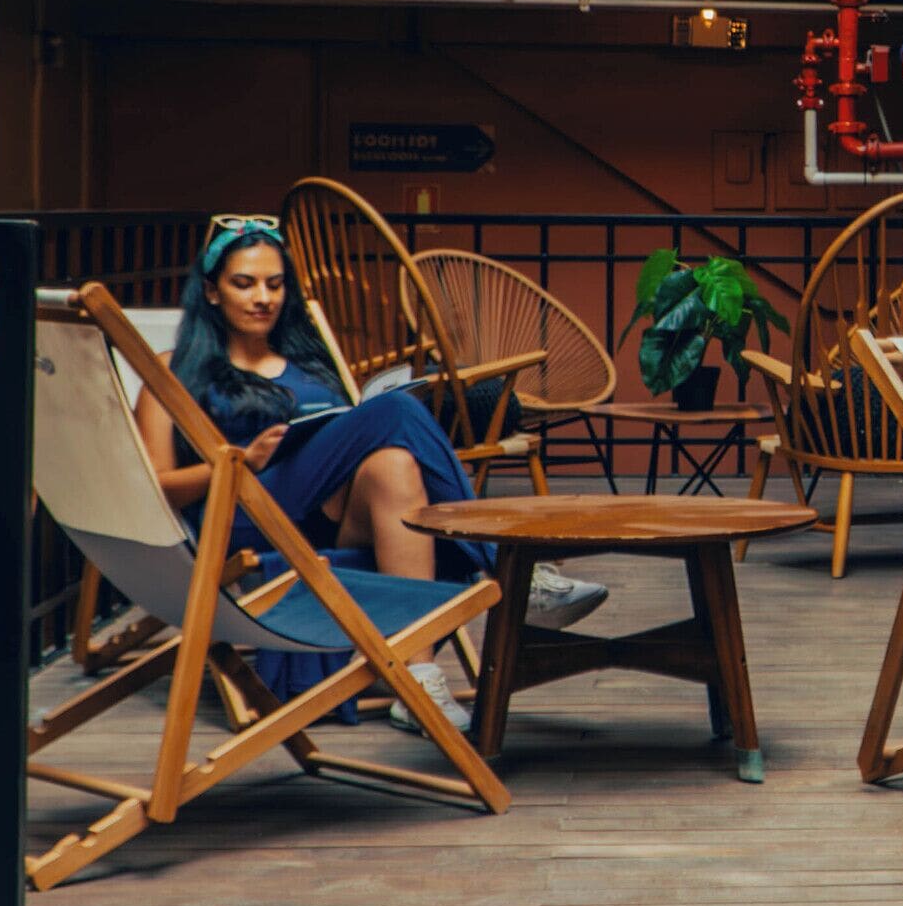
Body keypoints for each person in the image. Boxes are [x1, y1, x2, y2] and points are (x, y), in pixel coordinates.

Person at [139, 216, 603, 718]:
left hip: (320, 521)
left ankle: (417, 675)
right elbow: (157, 488)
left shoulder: (309, 364)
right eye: (244, 283)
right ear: (211, 292)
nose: (262, 298)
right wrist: (238, 463)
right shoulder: (171, 370)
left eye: (275, 284)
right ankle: (506, 565)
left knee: (393, 464)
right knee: (398, 410)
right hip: (243, 520)